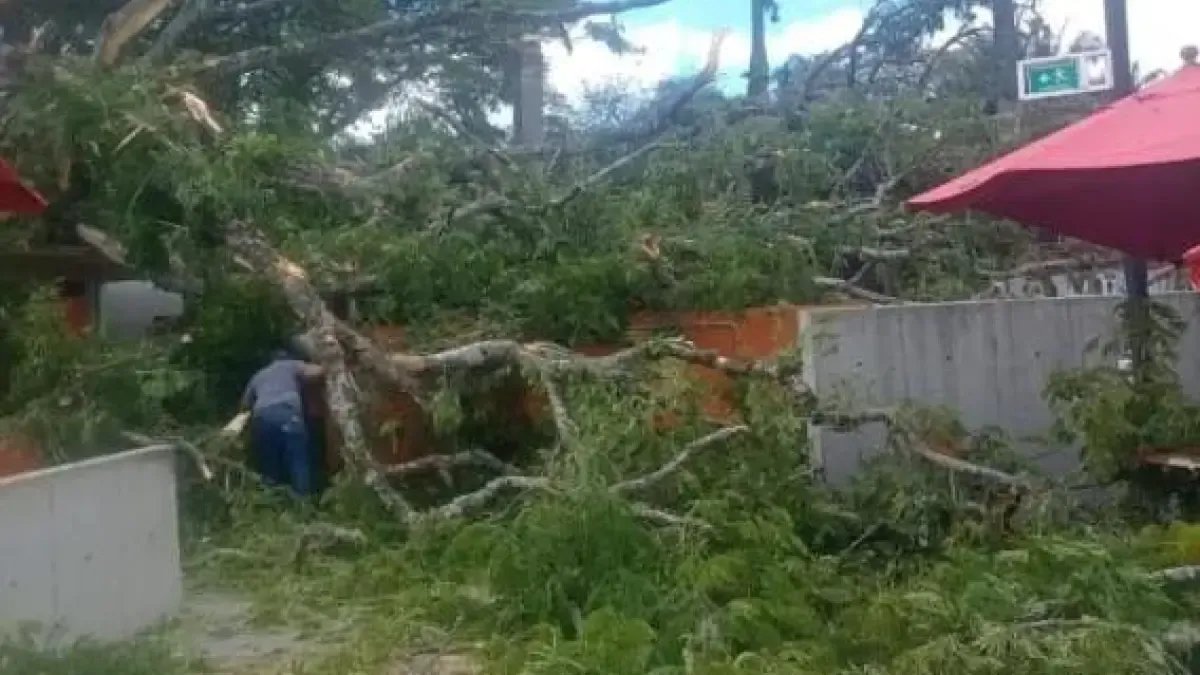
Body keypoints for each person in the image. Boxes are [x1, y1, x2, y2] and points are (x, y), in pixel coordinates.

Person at [232, 350, 325, 496]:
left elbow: (244, 406)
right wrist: (329, 364)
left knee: (269, 463)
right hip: (287, 413)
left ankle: (271, 500)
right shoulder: (290, 365)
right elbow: (316, 373)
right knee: (298, 459)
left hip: (262, 417)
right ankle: (303, 502)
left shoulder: (259, 375)